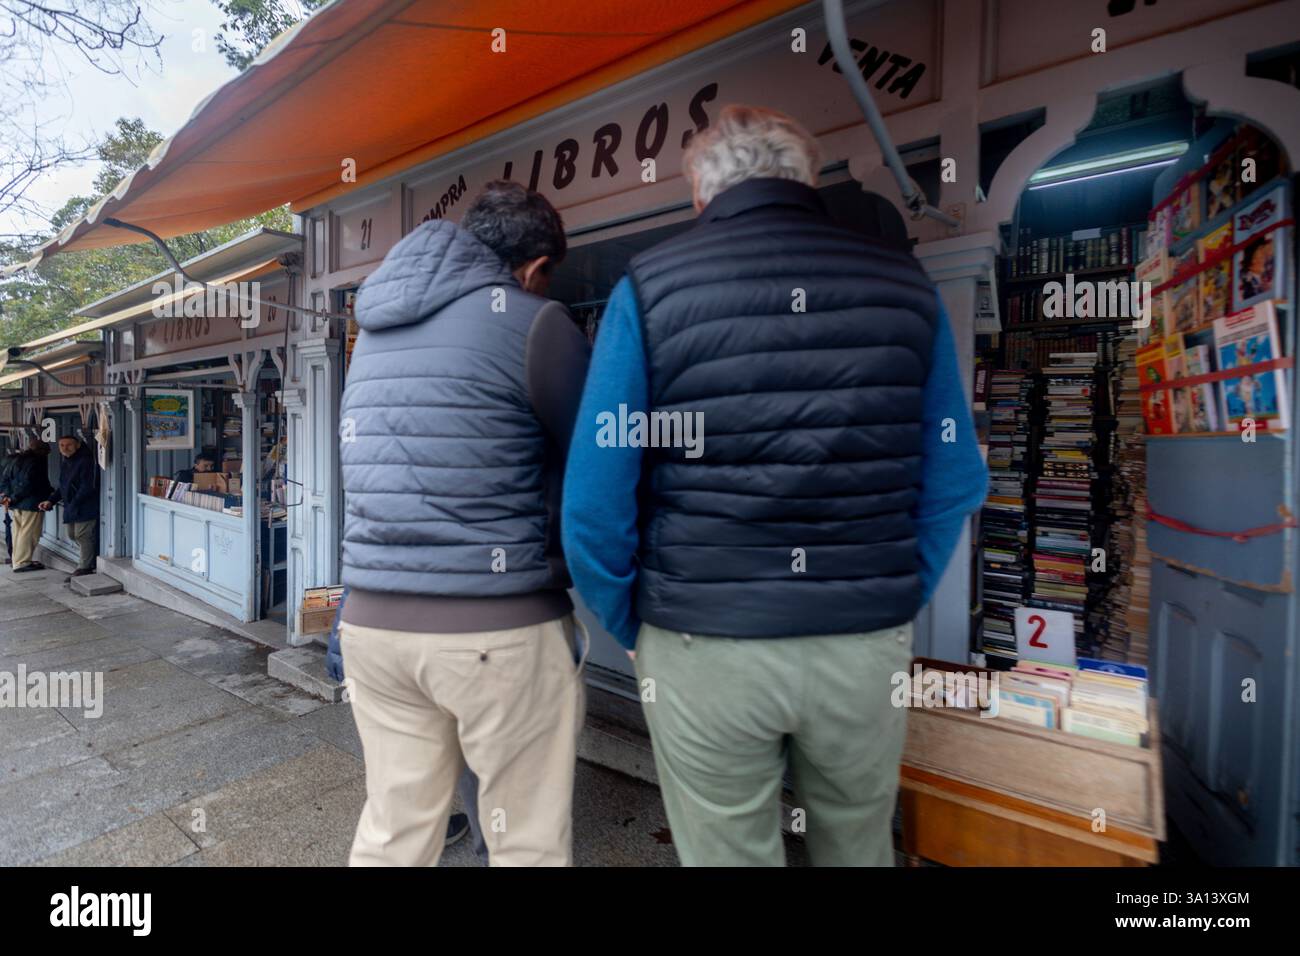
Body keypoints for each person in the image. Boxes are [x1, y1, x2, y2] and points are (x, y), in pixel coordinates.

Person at [562, 105, 989, 866]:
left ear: (700, 192)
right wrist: (891, 594)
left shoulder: (650, 290)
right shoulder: (906, 285)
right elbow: (954, 479)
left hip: (702, 640)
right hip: (863, 640)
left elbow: (594, 502)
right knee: (858, 846)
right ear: (809, 178)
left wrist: (640, 629)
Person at [338, 180, 591, 867]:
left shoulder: (376, 333)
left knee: (393, 831)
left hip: (371, 624)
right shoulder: (538, 322)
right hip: (494, 627)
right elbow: (598, 466)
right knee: (525, 839)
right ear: (536, 269)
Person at [325, 586, 487, 864]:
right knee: (472, 751)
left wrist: (339, 651)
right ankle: (493, 847)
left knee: (398, 755)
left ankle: (414, 833)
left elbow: (357, 571)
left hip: (374, 639)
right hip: (444, 638)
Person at [39, 434, 99, 578]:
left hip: (84, 506)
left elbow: (87, 486)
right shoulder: (66, 461)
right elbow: (63, 486)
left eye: (69, 445)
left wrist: (75, 502)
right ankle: (87, 561)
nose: (65, 448)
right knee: (72, 535)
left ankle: (85, 567)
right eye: (62, 445)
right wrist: (51, 500)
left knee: (82, 535)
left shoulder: (85, 461)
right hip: (71, 506)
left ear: (77, 445)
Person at [2, 438, 54, 573]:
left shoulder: (16, 459)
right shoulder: (36, 462)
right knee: (29, 532)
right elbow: (28, 484)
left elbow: (6, 478)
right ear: (42, 451)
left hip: (17, 502)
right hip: (32, 502)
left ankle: (16, 560)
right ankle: (22, 562)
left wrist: (9, 498)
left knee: (18, 531)